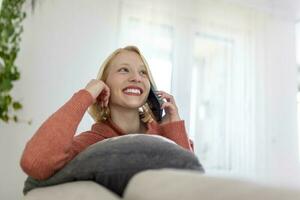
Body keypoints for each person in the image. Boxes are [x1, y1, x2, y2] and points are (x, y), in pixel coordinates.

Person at [20, 46, 194, 181]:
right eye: (124, 70)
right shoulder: (91, 142)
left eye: (143, 72)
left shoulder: (168, 133)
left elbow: (191, 185)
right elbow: (35, 162)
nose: (137, 78)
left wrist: (174, 126)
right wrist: (86, 95)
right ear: (104, 85)